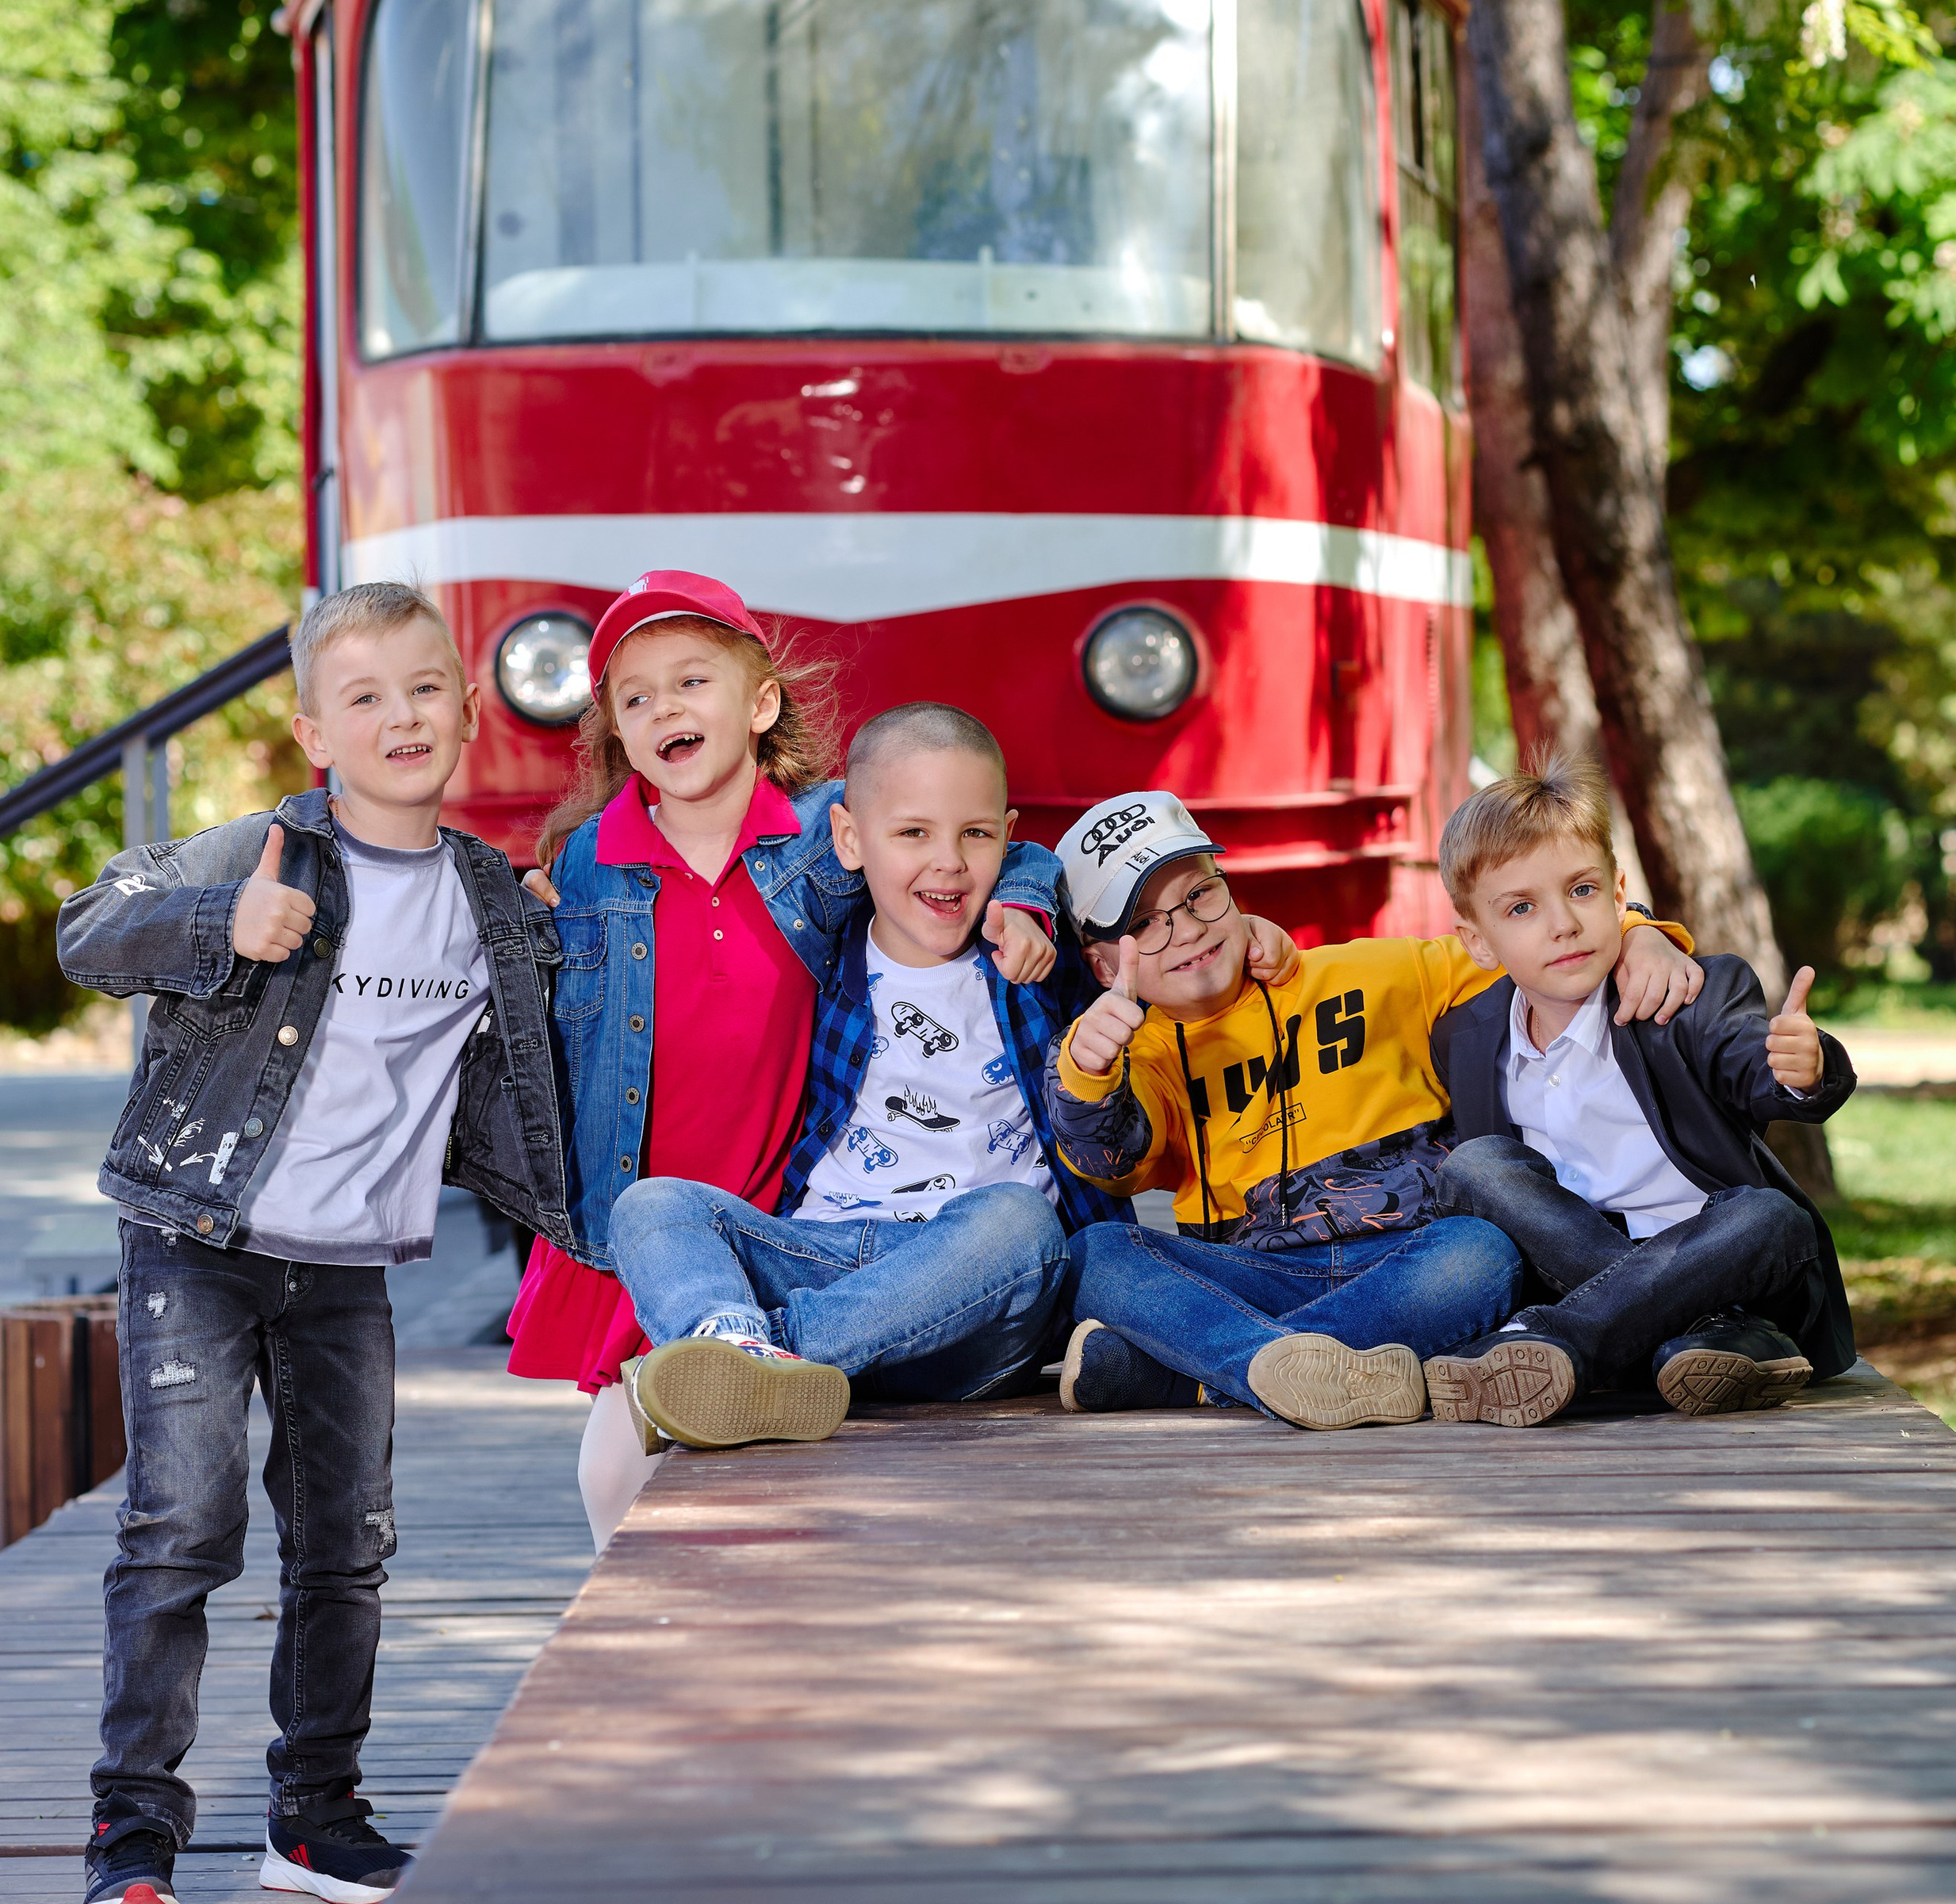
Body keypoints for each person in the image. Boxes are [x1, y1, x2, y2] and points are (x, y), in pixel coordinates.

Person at [55, 584, 572, 1904]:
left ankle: (314, 1815)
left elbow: (553, 1053)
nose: (400, 717)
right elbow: (86, 923)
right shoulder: (263, 852)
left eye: (423, 688)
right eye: (364, 699)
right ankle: (132, 1829)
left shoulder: (489, 902)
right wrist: (214, 929)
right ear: (313, 733)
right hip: (197, 1239)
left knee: (347, 1546)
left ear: (467, 708)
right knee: (184, 1525)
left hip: (347, 1272)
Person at [507, 578, 1066, 1545]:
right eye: (634, 698)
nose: (663, 708)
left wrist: (1025, 901)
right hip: (685, 1224)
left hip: (785, 1207)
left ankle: (761, 1367)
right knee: (613, 1466)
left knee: (1013, 1227)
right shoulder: (588, 863)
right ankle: (646, 1638)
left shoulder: (816, 838)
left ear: (761, 703)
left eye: (690, 680)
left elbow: (980, 836)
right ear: (614, 730)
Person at [1047, 789, 1703, 1429]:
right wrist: (1088, 1070)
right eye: (1143, 925)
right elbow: (1112, 1163)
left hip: (1417, 1261)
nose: (1187, 928)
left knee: (1483, 1251)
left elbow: (1530, 940)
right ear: (1105, 965)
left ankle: (1201, 1376)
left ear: (1231, 888)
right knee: (1094, 1252)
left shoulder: (1383, 972)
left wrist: (1637, 929)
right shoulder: (1137, 1056)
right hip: (1261, 1274)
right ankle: (1296, 1367)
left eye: (1199, 895)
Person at [605, 703, 1135, 1454]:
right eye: (913, 833)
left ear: (1007, 837)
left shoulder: (1038, 964)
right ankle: (735, 1345)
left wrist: (1034, 904)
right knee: (651, 1205)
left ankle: (746, 1364)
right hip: (827, 1250)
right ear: (850, 840)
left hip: (977, 1298)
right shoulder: (818, 951)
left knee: (1018, 1220)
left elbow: (1048, 871)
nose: (948, 860)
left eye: (975, 835)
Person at [1422, 755, 1855, 1425]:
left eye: (1583, 891)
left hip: (1729, 1262)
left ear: (1621, 895)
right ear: (1478, 941)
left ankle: (1560, 1344)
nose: (1562, 923)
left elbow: (1750, 1066)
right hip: (1583, 1271)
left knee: (1769, 1217)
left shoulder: (1684, 994)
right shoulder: (1466, 1039)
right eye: (1521, 907)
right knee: (1477, 1166)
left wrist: (1804, 1066)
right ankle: (1692, 1338)